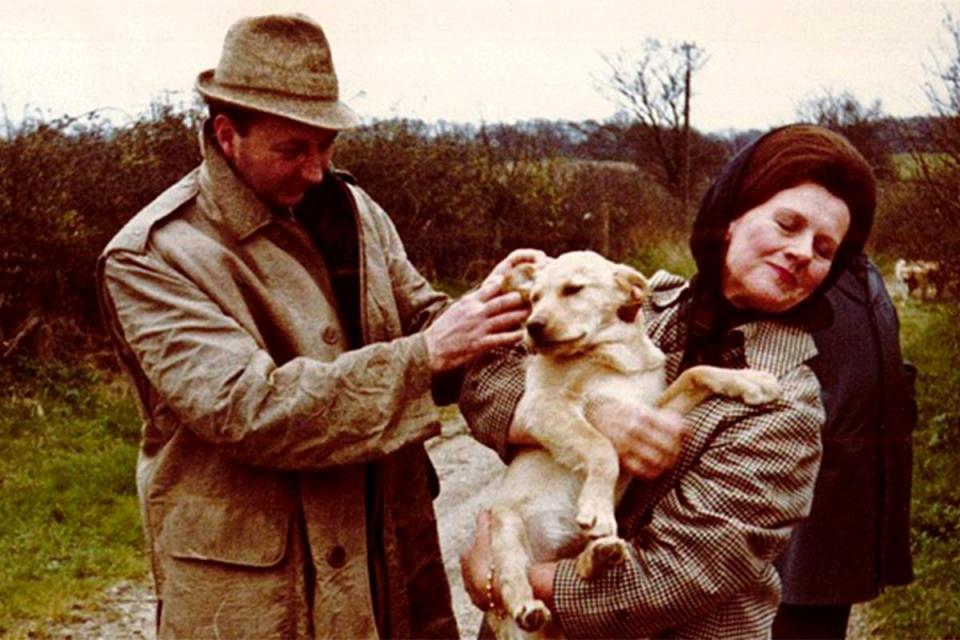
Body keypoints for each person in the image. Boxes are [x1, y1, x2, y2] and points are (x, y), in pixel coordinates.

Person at [96, 13, 538, 638]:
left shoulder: (355, 210)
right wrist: (426, 353)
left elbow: (421, 317)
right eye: (293, 149)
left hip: (389, 566)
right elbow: (248, 410)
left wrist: (494, 315)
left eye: (327, 147)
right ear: (228, 135)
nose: (315, 170)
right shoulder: (153, 256)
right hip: (261, 600)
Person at [459, 124, 877, 637]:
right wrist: (597, 417)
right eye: (787, 224)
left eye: (824, 248)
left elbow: (681, 576)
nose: (802, 252)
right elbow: (487, 379)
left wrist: (512, 579)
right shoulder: (639, 304)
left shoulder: (786, 403)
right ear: (730, 219)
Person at [772, 254, 916, 639]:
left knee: (829, 617)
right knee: (795, 618)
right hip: (809, 492)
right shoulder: (793, 268)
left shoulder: (862, 268)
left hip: (856, 491)